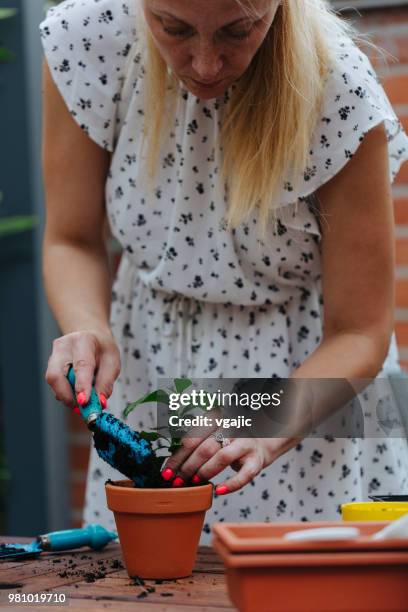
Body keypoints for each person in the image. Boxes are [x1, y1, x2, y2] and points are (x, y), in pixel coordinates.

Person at [40, 0, 408, 543]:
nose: (206, 65)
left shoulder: (342, 90)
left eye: (239, 30)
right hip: (154, 359)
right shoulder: (85, 40)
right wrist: (90, 327)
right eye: (174, 27)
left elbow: (363, 333)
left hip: (309, 390)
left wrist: (259, 423)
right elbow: (70, 239)